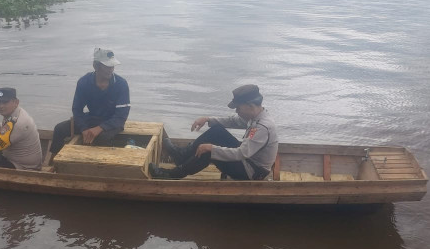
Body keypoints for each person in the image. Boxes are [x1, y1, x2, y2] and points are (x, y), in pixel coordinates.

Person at [149, 84, 278, 180]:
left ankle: (172, 175)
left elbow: (241, 153)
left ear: (250, 106)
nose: (236, 111)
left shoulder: (262, 127)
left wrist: (212, 149)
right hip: (248, 161)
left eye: (238, 107)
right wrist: (208, 119)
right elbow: (233, 121)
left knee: (209, 152)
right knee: (216, 131)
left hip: (252, 172)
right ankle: (182, 155)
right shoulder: (255, 116)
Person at [49, 47, 130, 159]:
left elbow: (121, 115)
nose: (110, 70)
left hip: (112, 122)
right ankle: (53, 162)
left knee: (102, 137)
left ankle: (99, 165)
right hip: (92, 118)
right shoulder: (84, 82)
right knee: (59, 129)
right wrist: (84, 128)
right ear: (96, 66)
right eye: (107, 66)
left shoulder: (121, 84)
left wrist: (100, 128)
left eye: (112, 66)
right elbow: (77, 109)